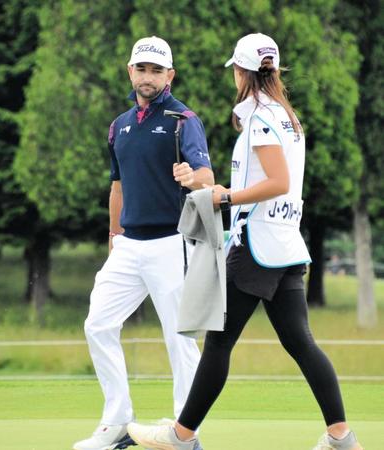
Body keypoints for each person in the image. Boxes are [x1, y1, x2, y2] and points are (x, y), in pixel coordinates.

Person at [127, 33, 363, 450]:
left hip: (257, 246)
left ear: (241, 72)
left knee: (219, 341)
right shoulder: (286, 114)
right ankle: (340, 436)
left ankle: (180, 436)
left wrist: (226, 195)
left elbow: (277, 182)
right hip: (285, 243)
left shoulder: (260, 116)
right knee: (300, 342)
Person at [73, 36, 214, 450]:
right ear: (130, 71)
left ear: (169, 75)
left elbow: (206, 175)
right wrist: (114, 234)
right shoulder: (119, 125)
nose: (147, 76)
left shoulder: (183, 119)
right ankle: (118, 420)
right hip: (129, 245)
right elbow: (117, 186)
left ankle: (185, 434)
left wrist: (192, 177)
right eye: (142, 68)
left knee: (180, 338)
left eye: (156, 70)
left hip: (172, 242)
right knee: (97, 323)